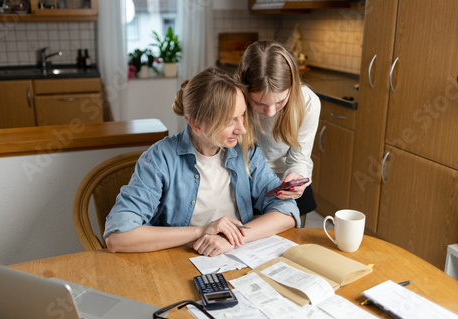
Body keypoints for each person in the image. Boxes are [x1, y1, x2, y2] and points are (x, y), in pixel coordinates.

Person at [104, 67, 300, 257]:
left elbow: (287, 212)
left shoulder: (246, 151)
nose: (242, 130)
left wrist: (232, 238)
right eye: (230, 121)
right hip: (176, 263)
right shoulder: (159, 159)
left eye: (242, 116)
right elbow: (118, 238)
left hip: (234, 257)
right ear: (196, 125)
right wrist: (203, 231)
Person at [236, 41, 321, 225]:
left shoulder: (308, 103)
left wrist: (297, 178)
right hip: (246, 179)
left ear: (292, 87)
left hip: (285, 180)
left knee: (292, 246)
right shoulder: (234, 100)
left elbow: (299, 159)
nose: (270, 112)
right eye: (259, 104)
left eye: (280, 102)